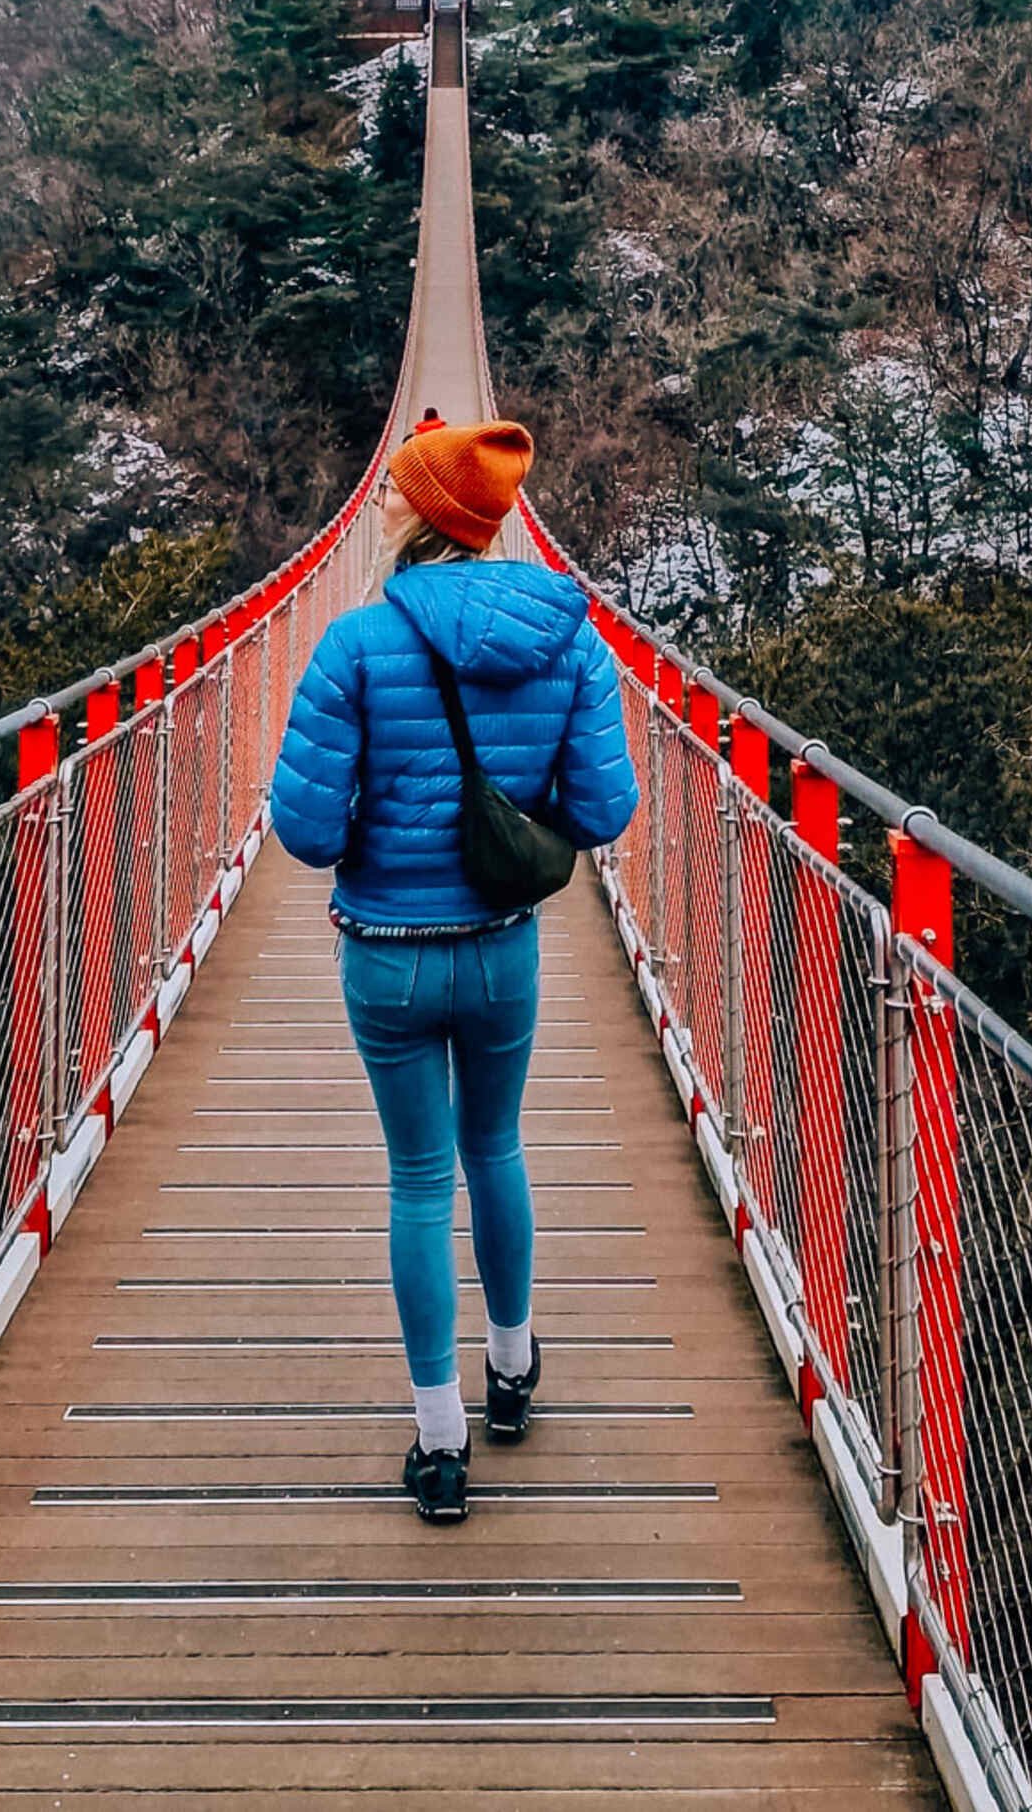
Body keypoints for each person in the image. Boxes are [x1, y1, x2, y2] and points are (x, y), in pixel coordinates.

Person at [270, 417, 639, 1521]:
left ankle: (439, 1444)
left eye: (393, 489)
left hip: (385, 957)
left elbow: (304, 831)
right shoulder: (570, 641)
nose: (378, 501)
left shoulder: (352, 646)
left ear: (427, 514)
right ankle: (514, 1373)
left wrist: (383, 819)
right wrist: (513, 816)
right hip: (498, 951)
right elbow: (604, 808)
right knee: (497, 1147)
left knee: (419, 1180)